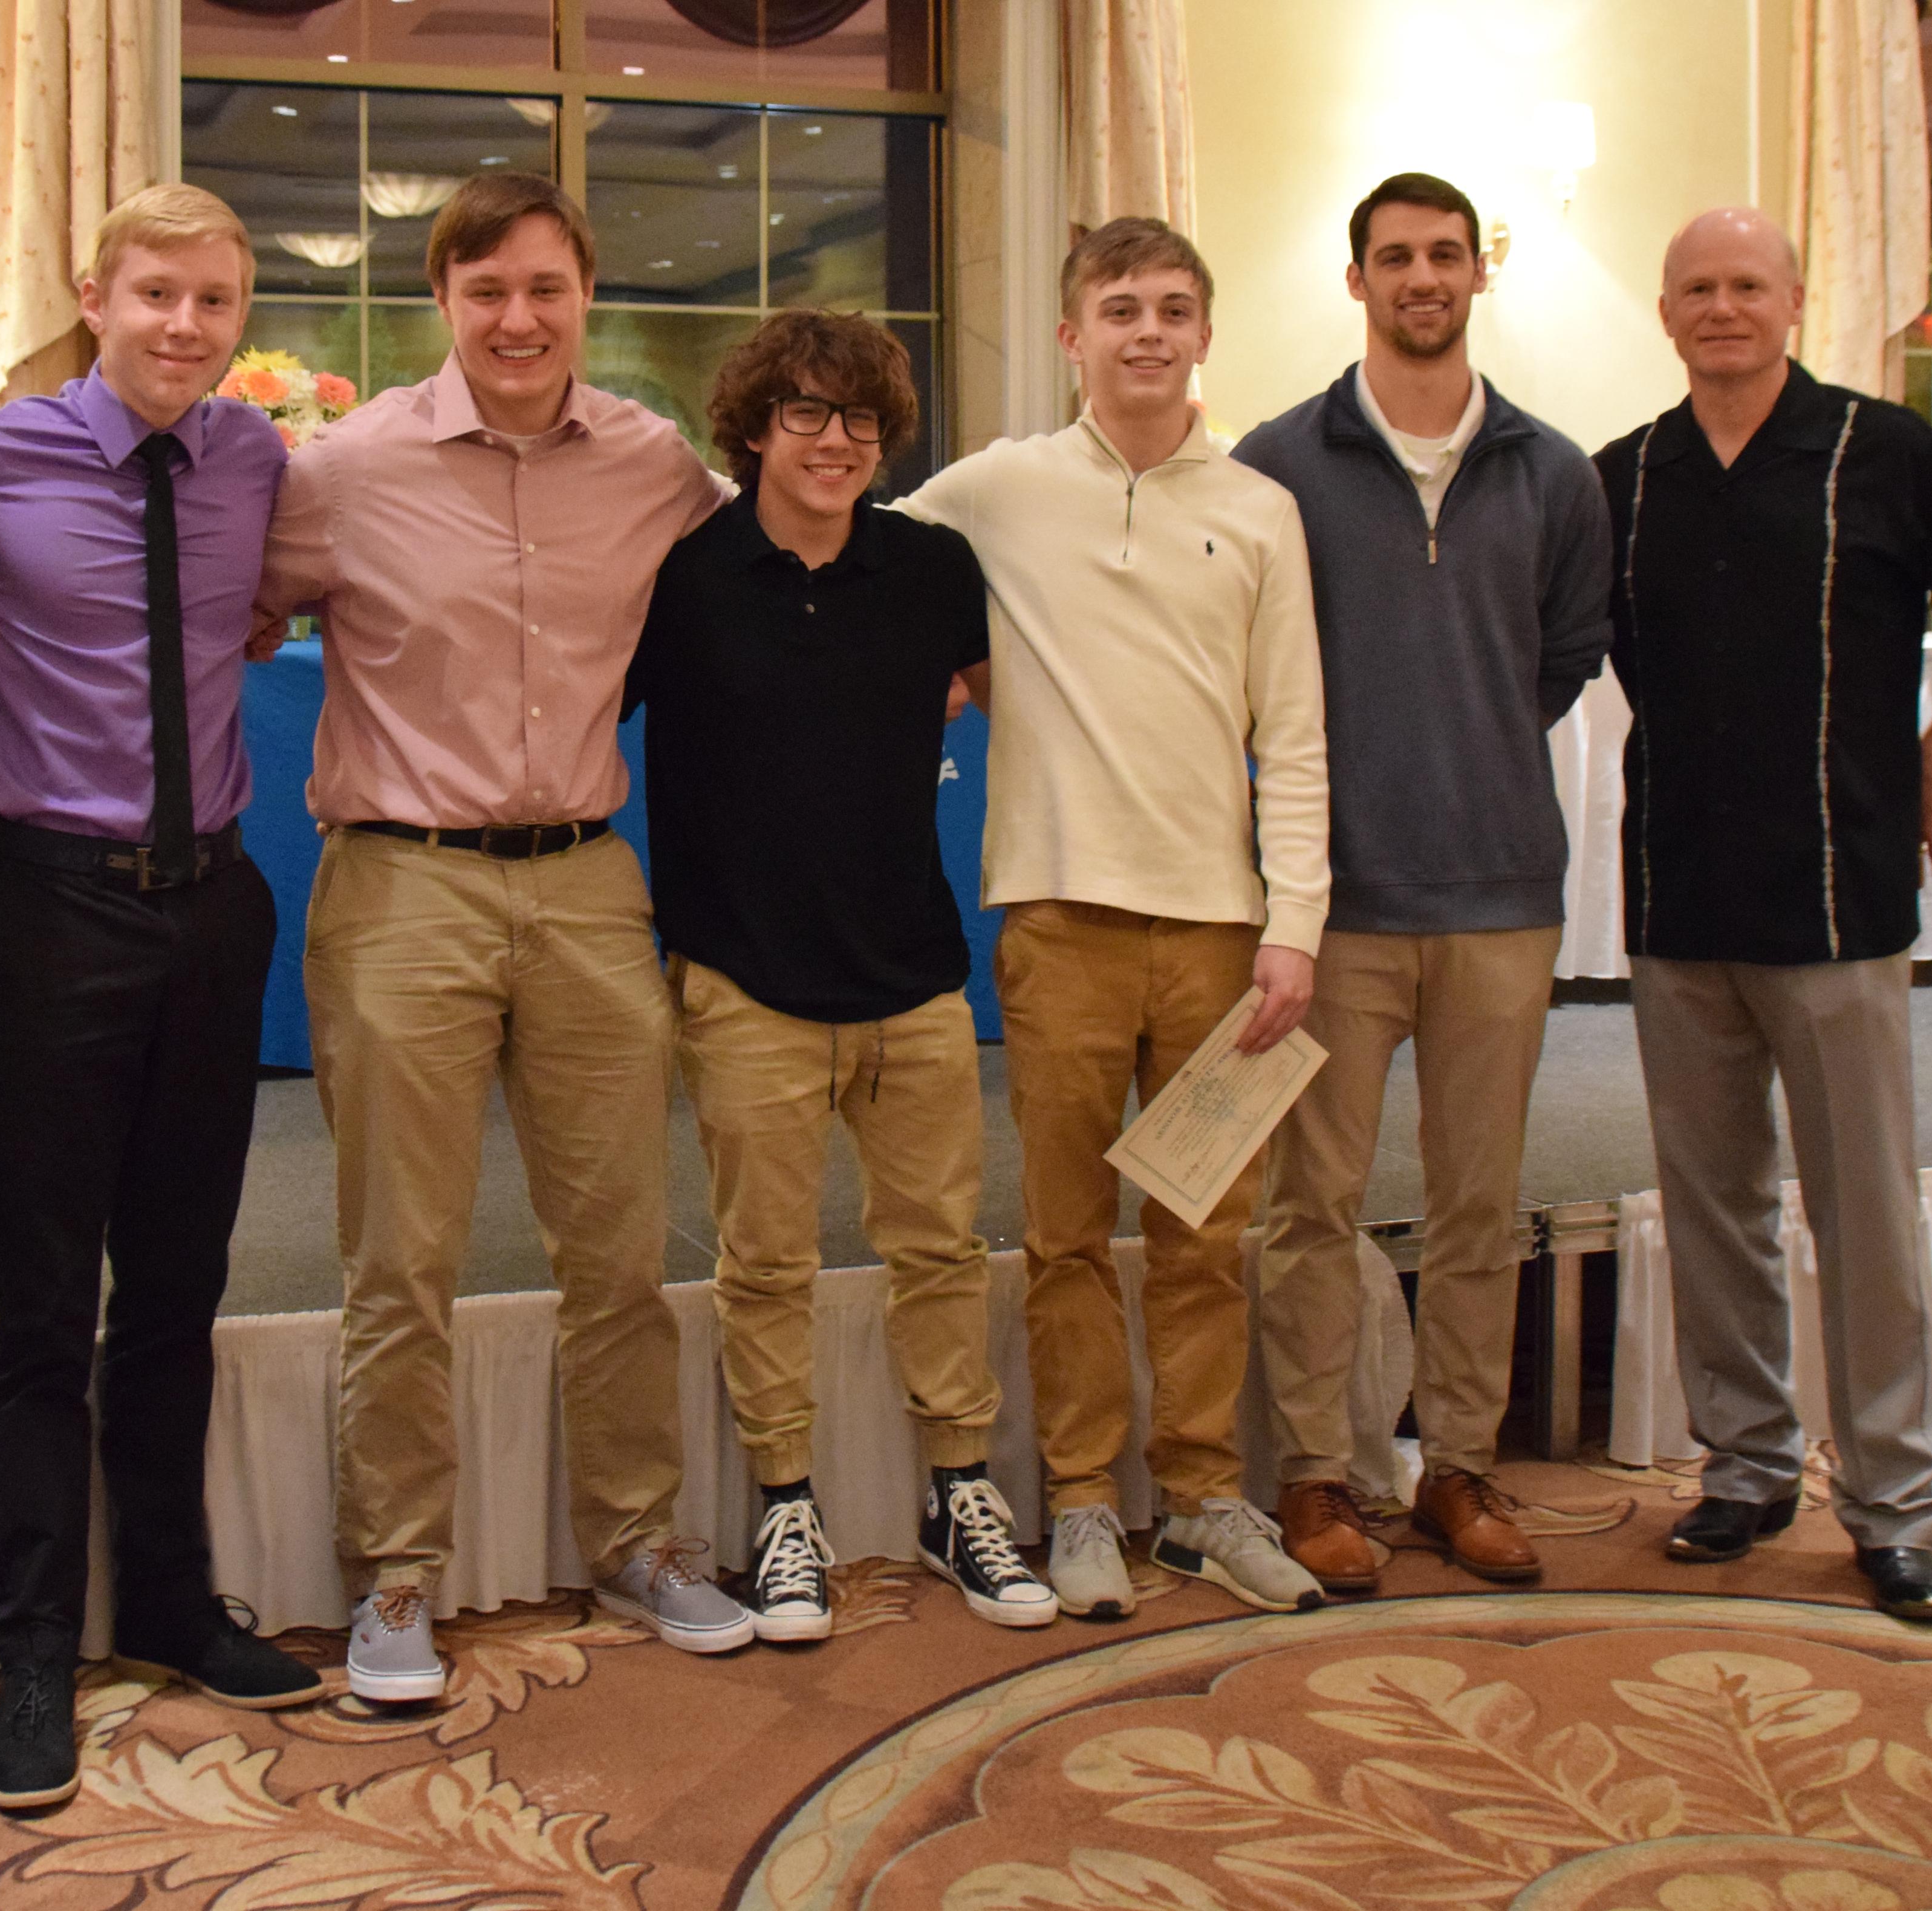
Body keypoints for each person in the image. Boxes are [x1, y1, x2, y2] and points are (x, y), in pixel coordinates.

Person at [253, 171, 753, 1701]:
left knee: (620, 1248)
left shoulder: (655, 463)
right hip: (402, 882)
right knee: (399, 1255)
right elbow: (219, 608)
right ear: (444, 303)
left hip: (590, 881)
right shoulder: (344, 467)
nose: (518, 319)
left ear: (586, 295)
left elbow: (771, 565)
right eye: (487, 293)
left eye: (545, 288)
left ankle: (638, 1539)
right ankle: (397, 1569)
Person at [0, 183, 321, 1810]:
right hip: (55, 905)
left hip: (212, 901)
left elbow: (269, 603)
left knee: (179, 1283)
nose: (184, 327)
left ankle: (167, 1598)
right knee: (41, 1299)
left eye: (215, 301)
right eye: (156, 294)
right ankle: (32, 1650)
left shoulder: (252, 456)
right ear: (96, 295)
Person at [1595, 207, 1932, 1623]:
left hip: (1841, 900)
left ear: (1794, 300)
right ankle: (1745, 1466)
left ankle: (1896, 1500)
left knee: (1866, 1215)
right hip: (1679, 899)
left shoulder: (1889, 453)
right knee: (1713, 1209)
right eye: (1697, 287)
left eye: (1748, 283)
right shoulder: (1624, 478)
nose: (1722, 307)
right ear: (1666, 313)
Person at [897, 216, 1331, 1621]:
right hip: (1060, 925)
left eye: (1173, 308)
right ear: (1071, 335)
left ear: (1204, 333)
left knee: (1207, 1232)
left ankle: (1201, 1498)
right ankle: (1082, 1496)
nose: (1149, 331)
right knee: (1067, 1235)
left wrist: (1295, 922)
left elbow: (1297, 732)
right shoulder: (999, 488)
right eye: (1121, 307)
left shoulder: (1261, 510)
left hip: (1221, 935)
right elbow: (854, 554)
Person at [626, 310, 1052, 1638]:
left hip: (912, 974)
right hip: (745, 976)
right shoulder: (684, 572)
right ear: (753, 427)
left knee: (942, 1249)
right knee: (765, 1262)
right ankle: (785, 1506)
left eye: (861, 417)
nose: (835, 439)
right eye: (805, 412)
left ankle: (960, 1493)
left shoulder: (932, 565)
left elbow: (1022, 702)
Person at [1235, 173, 1612, 1592]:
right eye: (1395, 256)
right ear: (1357, 282)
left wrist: (1467, 742)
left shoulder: (1554, 471)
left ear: (1476, 274)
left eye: (1445, 254)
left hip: (1502, 898)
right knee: (1310, 1207)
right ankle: (1314, 1471)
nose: (1421, 277)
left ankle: (1458, 1464)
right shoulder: (1278, 460)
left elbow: (1562, 655)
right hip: (1332, 909)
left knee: (1478, 1206)